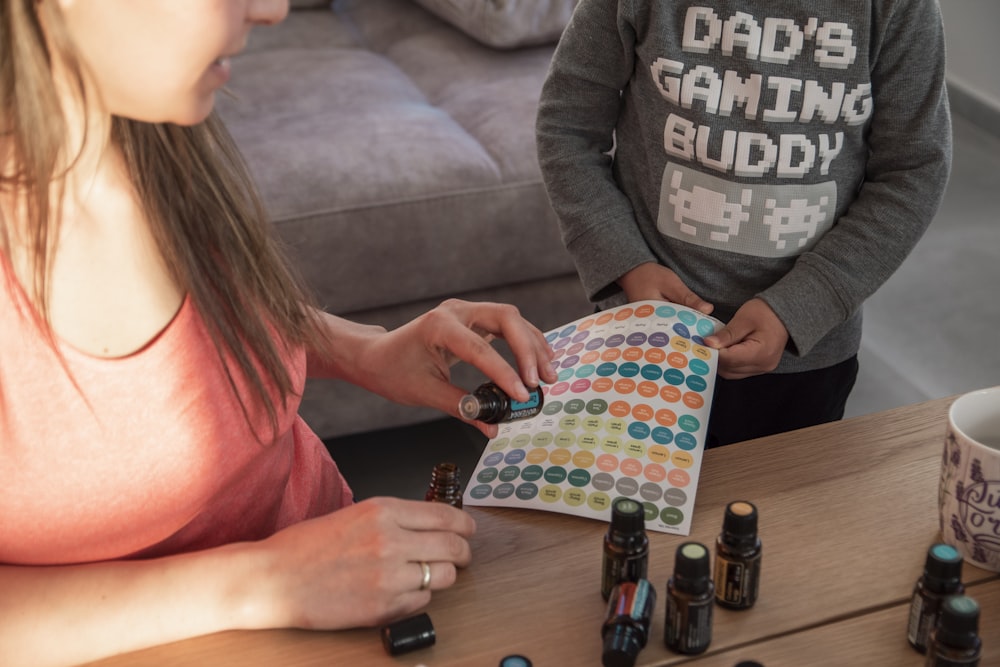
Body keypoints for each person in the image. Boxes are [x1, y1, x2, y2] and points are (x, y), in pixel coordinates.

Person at [0, 1, 557, 665]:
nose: (274, 9)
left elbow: (215, 319)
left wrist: (366, 351)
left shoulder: (149, 121)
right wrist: (262, 582)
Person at [536, 0, 952, 446]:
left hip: (806, 356)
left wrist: (800, 306)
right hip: (644, 338)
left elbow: (914, 169)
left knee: (785, 511)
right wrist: (626, 263)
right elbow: (567, 126)